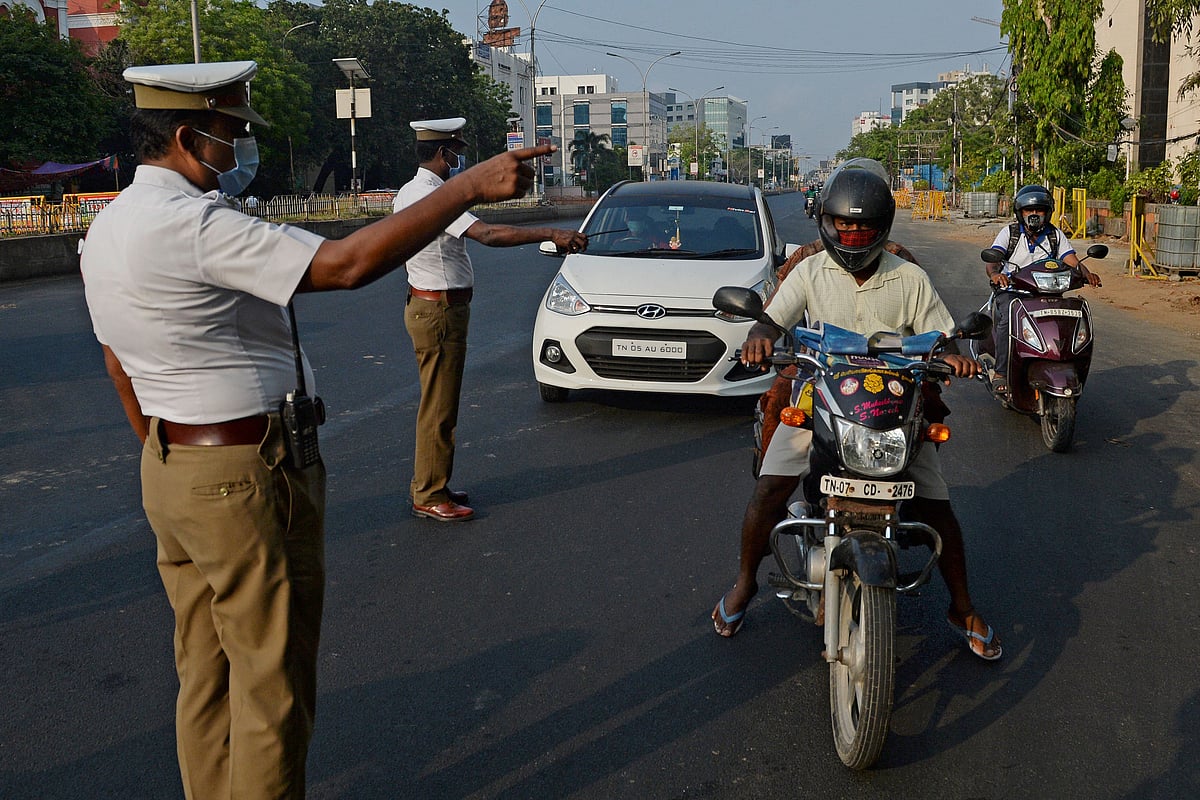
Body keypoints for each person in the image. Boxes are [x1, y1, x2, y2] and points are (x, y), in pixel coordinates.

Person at [80, 61, 549, 800]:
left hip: (174, 465)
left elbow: (116, 363)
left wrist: (165, 453)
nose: (240, 151)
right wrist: (468, 186)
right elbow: (346, 263)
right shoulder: (193, 225)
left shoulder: (108, 226)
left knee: (205, 675)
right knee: (271, 687)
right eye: (232, 134)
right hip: (243, 472)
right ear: (185, 136)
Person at [711, 160, 1003, 661]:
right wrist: (760, 337)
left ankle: (962, 604)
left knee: (937, 505)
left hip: (894, 409)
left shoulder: (908, 275)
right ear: (826, 222)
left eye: (862, 227)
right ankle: (744, 583)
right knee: (769, 487)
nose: (851, 236)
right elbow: (772, 320)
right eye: (843, 225)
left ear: (882, 227)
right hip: (820, 398)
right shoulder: (807, 268)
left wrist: (953, 355)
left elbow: (943, 333)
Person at [393, 117, 588, 522]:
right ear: (444, 154)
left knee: (439, 403)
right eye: (457, 154)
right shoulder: (433, 196)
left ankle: (433, 482)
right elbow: (488, 235)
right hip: (439, 310)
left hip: (432, 306)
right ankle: (429, 493)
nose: (459, 162)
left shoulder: (411, 191)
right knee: (438, 406)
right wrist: (551, 232)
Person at [985, 184, 1102, 393]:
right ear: (1020, 213)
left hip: (1047, 292)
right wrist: (996, 274)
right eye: (1029, 210)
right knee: (1007, 320)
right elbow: (993, 259)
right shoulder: (1010, 233)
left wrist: (1087, 274)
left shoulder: (1054, 235)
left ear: (1047, 212)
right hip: (1014, 291)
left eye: (1039, 210)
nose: (1034, 214)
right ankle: (1001, 372)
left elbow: (1071, 260)